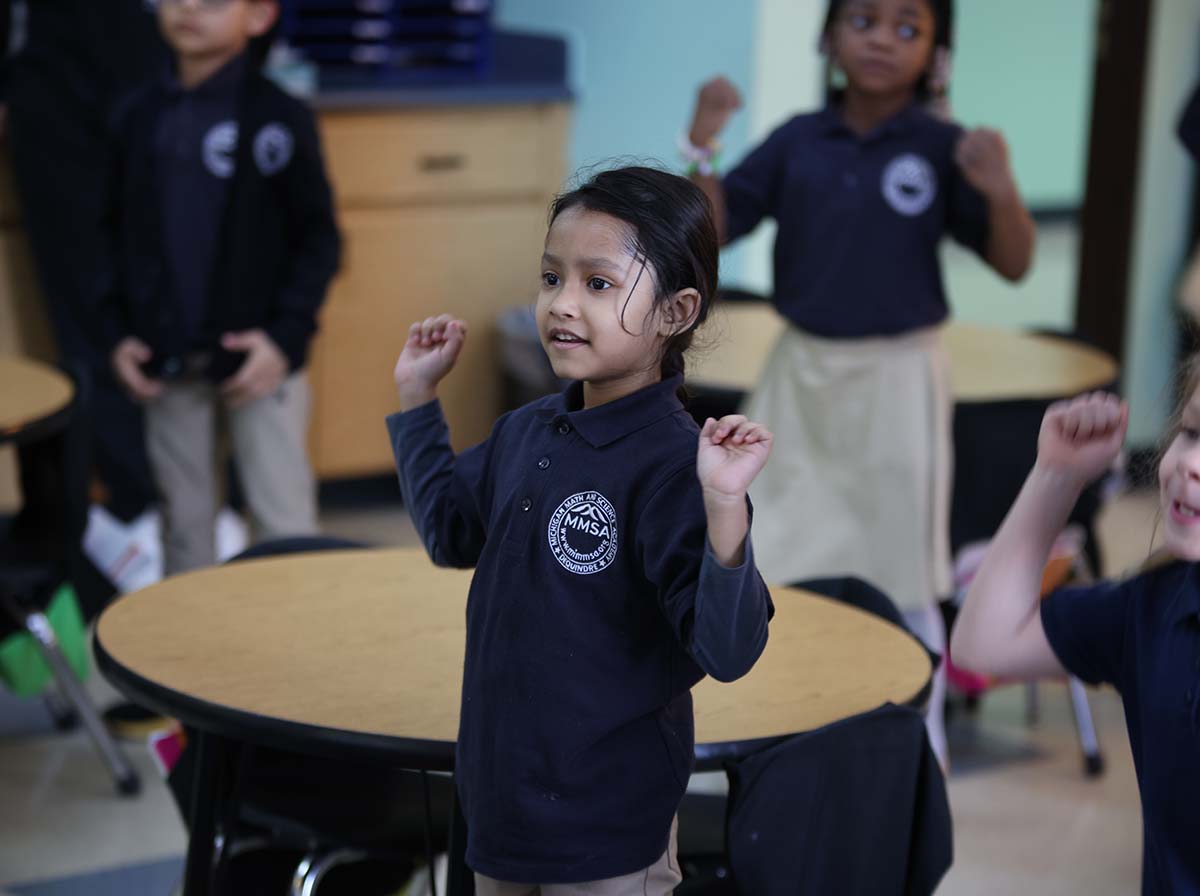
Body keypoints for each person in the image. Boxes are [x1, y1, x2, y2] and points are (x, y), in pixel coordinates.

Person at [388, 166, 775, 894]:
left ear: (676, 311)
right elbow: (448, 532)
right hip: (502, 799)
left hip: (611, 823)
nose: (562, 304)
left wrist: (725, 508)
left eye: (598, 284)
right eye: (550, 278)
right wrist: (417, 398)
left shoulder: (677, 466)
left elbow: (727, 651)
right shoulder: (527, 430)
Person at [682, 0, 1036, 767]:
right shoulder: (798, 141)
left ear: (938, 53)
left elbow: (1014, 263)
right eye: (864, 20)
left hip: (900, 377)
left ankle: (917, 749)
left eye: (909, 28)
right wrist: (703, 144)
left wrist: (1001, 188)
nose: (882, 40)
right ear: (828, 36)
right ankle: (773, 732)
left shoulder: (947, 146)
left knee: (902, 569)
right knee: (770, 550)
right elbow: (709, 233)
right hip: (800, 373)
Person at [103, 0, 340, 575]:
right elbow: (113, 236)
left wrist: (283, 340)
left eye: (212, 0)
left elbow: (319, 242)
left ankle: (292, 651)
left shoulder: (279, 117)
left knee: (283, 522)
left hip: (261, 361)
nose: (188, 8)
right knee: (183, 526)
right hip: (169, 360)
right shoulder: (136, 115)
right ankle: (196, 659)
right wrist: (118, 334)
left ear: (258, 17)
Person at [949, 380, 1200, 893]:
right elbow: (983, 644)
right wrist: (1057, 476)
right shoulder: (1156, 604)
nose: (1191, 464)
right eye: (1193, 432)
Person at [1, 0, 166, 528]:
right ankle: (134, 505)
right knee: (87, 313)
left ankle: (171, 503)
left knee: (172, 293)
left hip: (157, 72)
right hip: (55, 91)